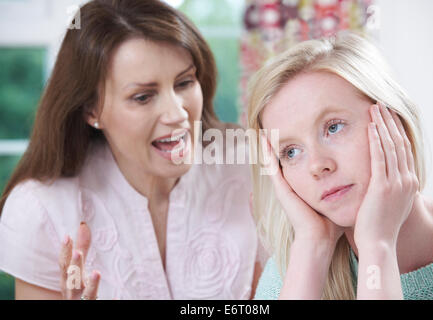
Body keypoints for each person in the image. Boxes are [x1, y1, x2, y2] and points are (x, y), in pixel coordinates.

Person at [0, 0, 262, 300]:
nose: (177, 113)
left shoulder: (250, 164)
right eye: (143, 97)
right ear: (91, 109)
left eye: (184, 82)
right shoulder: (41, 209)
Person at [247, 31, 433, 299]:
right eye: (291, 152)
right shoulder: (289, 274)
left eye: (334, 127)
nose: (318, 166)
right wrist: (312, 247)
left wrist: (377, 246)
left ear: (394, 122)